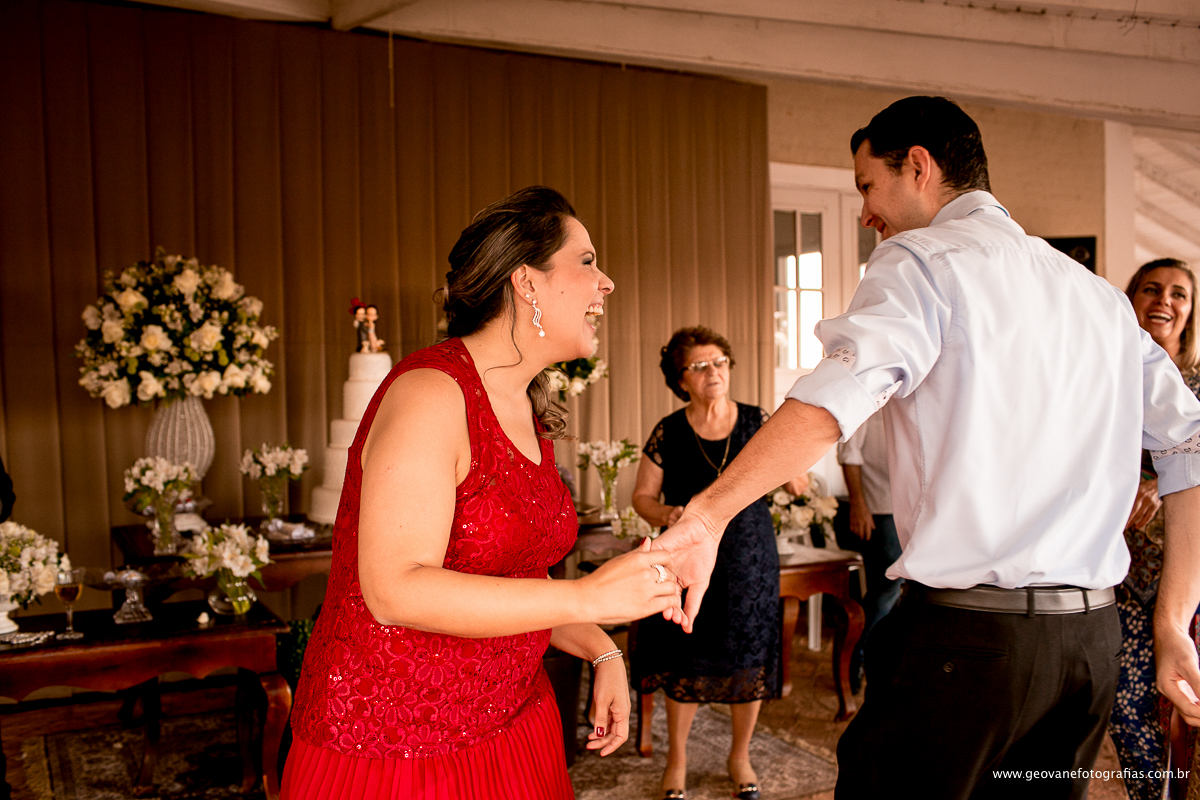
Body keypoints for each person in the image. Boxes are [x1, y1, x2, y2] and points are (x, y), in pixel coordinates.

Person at [654, 96, 1200, 800]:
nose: (865, 213)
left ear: (918, 167)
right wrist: (1172, 621)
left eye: (866, 186)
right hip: (1088, 645)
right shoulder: (1096, 296)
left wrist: (706, 517)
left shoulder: (920, 259)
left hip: (968, 646)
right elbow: (1190, 443)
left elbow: (831, 401)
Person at [282, 186, 682, 800]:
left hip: (513, 720)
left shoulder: (528, 404)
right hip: (396, 744)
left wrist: (603, 650)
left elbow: (508, 580)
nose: (605, 284)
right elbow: (394, 589)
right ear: (527, 281)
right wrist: (587, 598)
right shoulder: (430, 394)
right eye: (587, 261)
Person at [630, 326, 806, 800]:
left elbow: (798, 480)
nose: (714, 372)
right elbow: (642, 497)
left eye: (720, 362)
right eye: (700, 365)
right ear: (680, 378)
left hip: (749, 556)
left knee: (748, 654)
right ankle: (678, 760)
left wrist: (796, 471)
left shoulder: (758, 420)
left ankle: (739, 755)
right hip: (688, 557)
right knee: (685, 652)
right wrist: (667, 514)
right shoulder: (668, 430)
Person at [1111, 258, 1200, 800]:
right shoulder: (1106, 381)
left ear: (1190, 312)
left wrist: (1159, 484)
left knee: (1186, 711)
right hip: (1118, 576)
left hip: (1189, 581)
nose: (1164, 300)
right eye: (1151, 289)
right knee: (1126, 707)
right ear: (1130, 299)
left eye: (1178, 293)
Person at [836, 409, 900, 693]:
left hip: (909, 509)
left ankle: (882, 662)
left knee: (896, 591)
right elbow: (849, 454)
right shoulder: (869, 395)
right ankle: (855, 657)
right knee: (887, 587)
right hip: (878, 509)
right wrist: (858, 504)